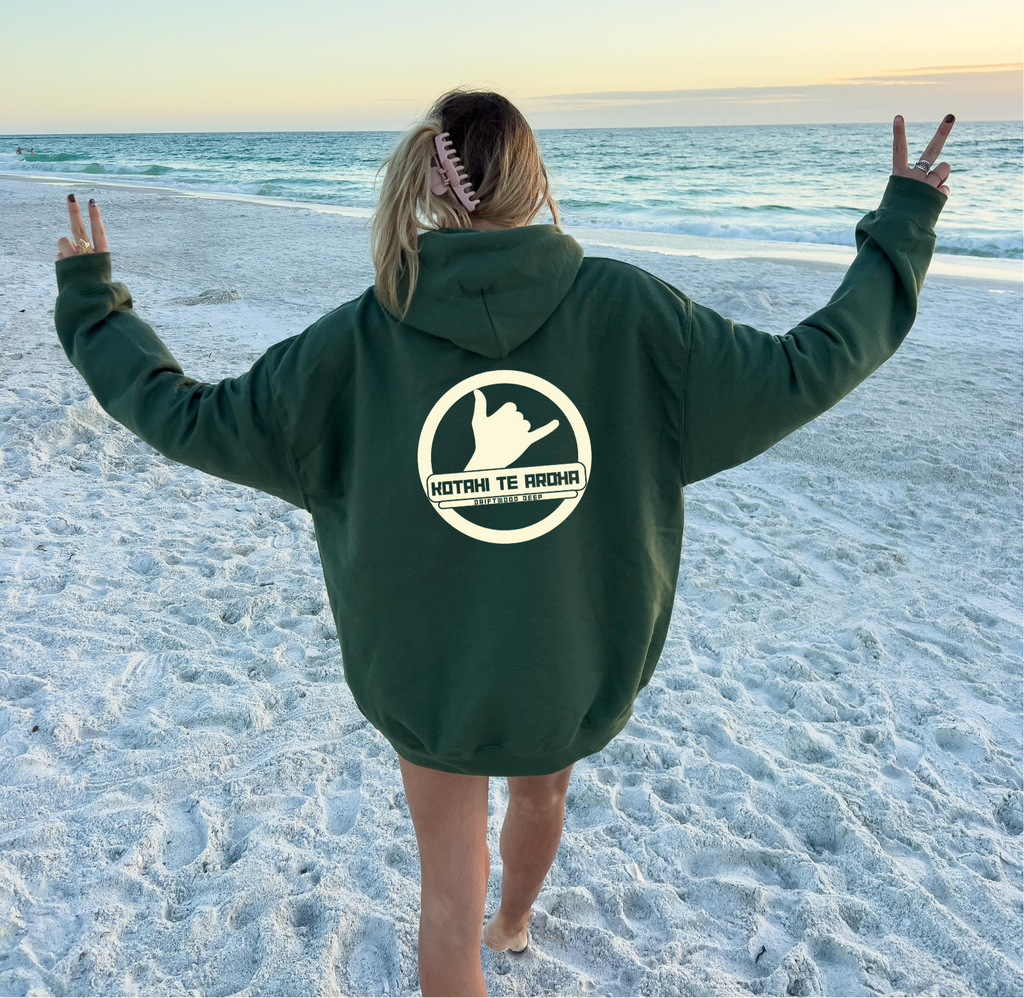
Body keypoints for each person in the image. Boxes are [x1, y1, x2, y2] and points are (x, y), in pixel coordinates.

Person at [53, 91, 953, 998]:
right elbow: (809, 365)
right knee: (541, 791)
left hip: (428, 673)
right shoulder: (630, 312)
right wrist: (903, 226)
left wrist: (96, 311)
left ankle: (496, 919)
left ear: (431, 191)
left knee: (445, 900)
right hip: (567, 660)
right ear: (534, 178)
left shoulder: (357, 339)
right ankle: (516, 920)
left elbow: (187, 414)